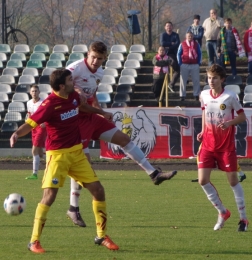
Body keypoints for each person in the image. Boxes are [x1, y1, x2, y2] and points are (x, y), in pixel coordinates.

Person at [66, 41, 177, 227]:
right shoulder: (75, 68)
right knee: (83, 164)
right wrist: (74, 91)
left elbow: (92, 98)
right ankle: (73, 208)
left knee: (124, 139)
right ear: (88, 54)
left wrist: (102, 112)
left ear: (104, 58)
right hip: (76, 121)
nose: (95, 61)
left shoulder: (99, 72)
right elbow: (59, 85)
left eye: (100, 59)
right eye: (93, 57)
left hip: (92, 117)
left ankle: (153, 174)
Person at [10, 69, 119, 253]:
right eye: (70, 79)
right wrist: (16, 134)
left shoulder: (73, 96)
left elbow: (82, 107)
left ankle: (101, 236)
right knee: (49, 196)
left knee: (98, 190)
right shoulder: (49, 104)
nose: (72, 81)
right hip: (57, 156)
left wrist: (100, 112)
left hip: (77, 153)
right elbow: (31, 123)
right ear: (61, 86)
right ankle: (34, 242)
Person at [197, 64, 249, 232]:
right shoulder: (204, 95)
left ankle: (243, 219)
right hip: (208, 145)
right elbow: (205, 113)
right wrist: (203, 131)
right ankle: (222, 212)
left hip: (226, 146)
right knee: (202, 180)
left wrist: (229, 123)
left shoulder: (230, 96)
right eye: (209, 77)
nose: (211, 81)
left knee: (233, 181)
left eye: (215, 78)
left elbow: (242, 116)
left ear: (222, 79)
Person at [25, 85, 47, 180]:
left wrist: (45, 123)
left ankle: (34, 174)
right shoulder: (29, 103)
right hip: (33, 127)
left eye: (36, 91)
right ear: (30, 93)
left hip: (41, 128)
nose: (34, 93)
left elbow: (48, 114)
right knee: (40, 153)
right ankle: (54, 163)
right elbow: (29, 115)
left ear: (39, 92)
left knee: (34, 150)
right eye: (33, 91)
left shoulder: (43, 103)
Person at [177, 32, 201, 101]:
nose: (190, 37)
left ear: (193, 36)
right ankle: (182, 95)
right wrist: (180, 63)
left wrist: (199, 62)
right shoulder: (182, 44)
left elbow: (199, 53)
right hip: (185, 64)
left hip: (194, 64)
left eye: (191, 36)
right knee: (183, 80)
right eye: (188, 36)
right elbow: (179, 53)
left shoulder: (196, 44)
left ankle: (196, 94)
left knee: (196, 80)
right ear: (186, 36)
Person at [160, 21, 180, 92]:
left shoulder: (175, 35)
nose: (169, 27)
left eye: (170, 26)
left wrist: (169, 46)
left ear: (172, 27)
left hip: (175, 53)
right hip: (166, 54)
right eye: (167, 26)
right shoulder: (163, 35)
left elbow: (177, 44)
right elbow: (162, 43)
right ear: (165, 27)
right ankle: (171, 84)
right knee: (176, 67)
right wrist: (171, 43)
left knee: (179, 69)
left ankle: (172, 84)